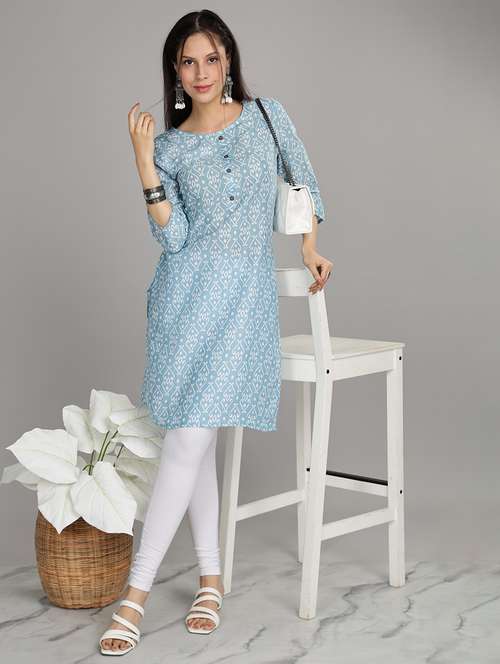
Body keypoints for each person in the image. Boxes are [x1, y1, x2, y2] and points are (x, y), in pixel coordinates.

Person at [99, 8, 333, 655]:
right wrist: (144, 163)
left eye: (210, 58)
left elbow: (304, 183)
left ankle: (135, 595)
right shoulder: (171, 147)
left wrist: (310, 247)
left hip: (242, 306)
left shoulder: (267, 117)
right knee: (190, 440)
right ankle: (210, 580)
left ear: (228, 59)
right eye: (187, 62)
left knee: (189, 439)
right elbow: (173, 237)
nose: (200, 72)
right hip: (183, 303)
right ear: (175, 72)